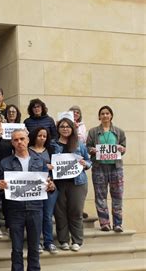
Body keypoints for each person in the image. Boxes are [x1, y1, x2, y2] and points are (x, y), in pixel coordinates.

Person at [0, 128, 55, 271]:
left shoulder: (40, 160)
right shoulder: (5, 162)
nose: (19, 142)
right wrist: (0, 187)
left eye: (22, 139)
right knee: (16, 248)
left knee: (34, 246)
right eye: (15, 140)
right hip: (15, 210)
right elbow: (0, 188)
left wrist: (51, 187)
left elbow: (49, 185)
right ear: (12, 143)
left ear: (28, 140)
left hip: (35, 208)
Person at [53, 118, 91, 252]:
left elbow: (88, 160)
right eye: (62, 126)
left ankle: (77, 241)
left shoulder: (79, 144)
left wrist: (85, 164)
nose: (65, 129)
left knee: (76, 212)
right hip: (59, 183)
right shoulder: (53, 144)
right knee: (60, 212)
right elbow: (46, 159)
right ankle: (63, 240)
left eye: (67, 126)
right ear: (58, 129)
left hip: (78, 183)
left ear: (72, 128)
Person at [86, 106, 126, 232]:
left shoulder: (119, 132)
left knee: (117, 196)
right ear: (99, 116)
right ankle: (104, 223)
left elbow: (123, 147)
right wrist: (91, 150)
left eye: (107, 113)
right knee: (100, 196)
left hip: (116, 168)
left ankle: (118, 224)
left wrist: (122, 149)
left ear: (111, 115)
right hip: (99, 168)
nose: (105, 115)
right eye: (102, 113)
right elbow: (87, 147)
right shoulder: (93, 132)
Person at [28, 127, 58, 254]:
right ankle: (37, 242)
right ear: (34, 136)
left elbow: (58, 168)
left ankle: (49, 242)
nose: (42, 138)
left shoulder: (51, 150)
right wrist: (43, 165)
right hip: (33, 187)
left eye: (44, 136)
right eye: (39, 135)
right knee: (36, 216)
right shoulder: (27, 150)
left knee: (47, 215)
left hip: (49, 186)